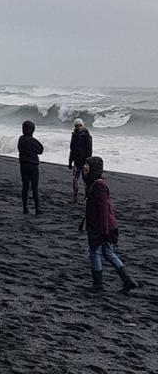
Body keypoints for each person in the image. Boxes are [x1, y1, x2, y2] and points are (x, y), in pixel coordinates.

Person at [82, 156, 138, 293]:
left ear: (93, 167)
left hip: (103, 226)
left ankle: (98, 285)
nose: (84, 167)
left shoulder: (99, 185)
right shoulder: (94, 183)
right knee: (108, 252)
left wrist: (104, 231)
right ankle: (128, 281)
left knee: (95, 252)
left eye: (87, 165)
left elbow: (103, 209)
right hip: (105, 225)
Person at [18, 119, 43, 215]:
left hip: (23, 164)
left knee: (25, 186)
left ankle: (25, 207)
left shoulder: (21, 139)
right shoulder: (32, 141)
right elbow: (40, 150)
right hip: (33, 165)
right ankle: (37, 208)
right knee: (34, 187)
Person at [68, 118, 93, 202]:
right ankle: (75, 196)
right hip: (76, 161)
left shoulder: (87, 136)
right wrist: (70, 162)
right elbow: (72, 149)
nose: (78, 127)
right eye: (76, 126)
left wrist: (87, 162)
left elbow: (89, 150)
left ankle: (86, 197)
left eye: (80, 125)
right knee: (75, 180)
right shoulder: (74, 135)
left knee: (85, 181)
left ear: (83, 125)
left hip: (84, 161)